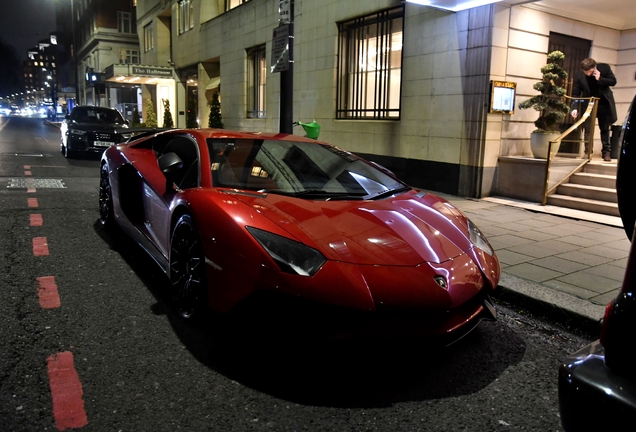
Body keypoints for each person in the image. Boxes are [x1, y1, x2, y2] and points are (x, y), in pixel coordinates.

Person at [570, 58, 617, 162]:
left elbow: (613, 82)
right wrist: (574, 108)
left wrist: (600, 78)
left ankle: (606, 152)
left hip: (603, 103)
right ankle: (587, 152)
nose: (588, 74)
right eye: (586, 72)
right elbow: (576, 94)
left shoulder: (604, 68)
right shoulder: (579, 75)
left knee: (604, 128)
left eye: (590, 72)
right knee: (588, 129)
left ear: (594, 68)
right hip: (588, 104)